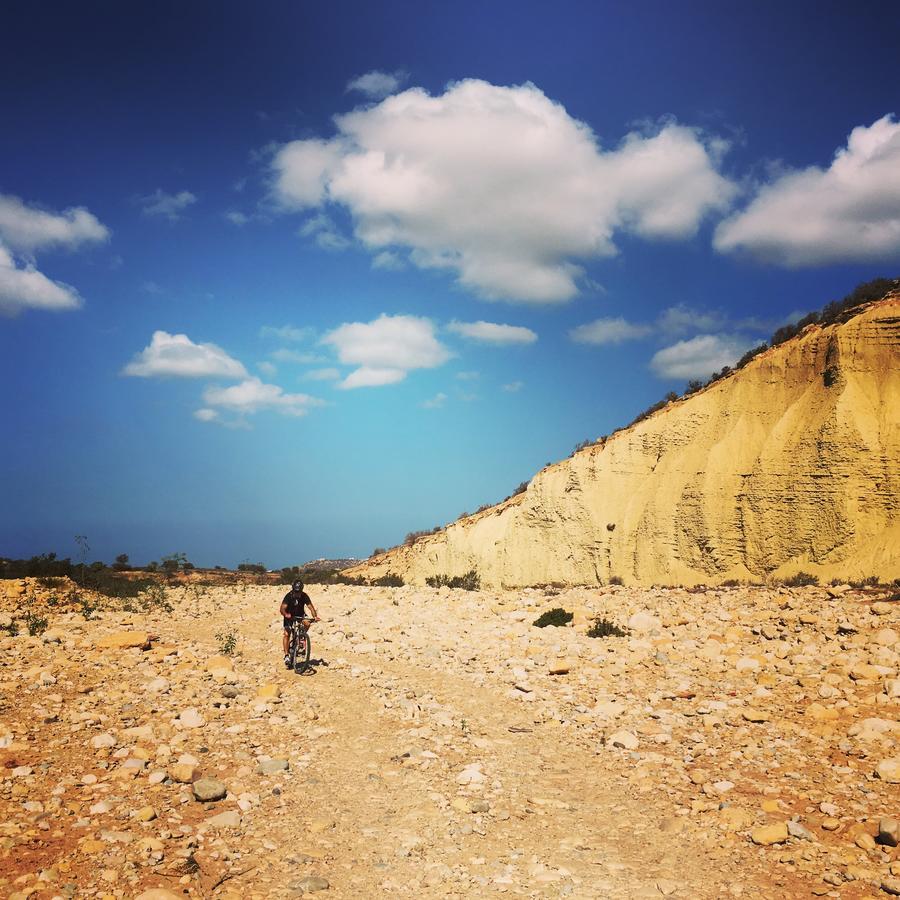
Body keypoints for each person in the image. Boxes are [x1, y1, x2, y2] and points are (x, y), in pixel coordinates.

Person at [280, 580, 319, 667]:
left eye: (299, 591)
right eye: (296, 591)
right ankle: (286, 656)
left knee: (307, 623)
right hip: (289, 616)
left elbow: (311, 607)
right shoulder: (288, 596)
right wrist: (286, 614)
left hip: (300, 614)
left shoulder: (304, 596)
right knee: (287, 634)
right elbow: (282, 609)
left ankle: (301, 637)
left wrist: (315, 616)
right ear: (293, 590)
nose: (298, 593)